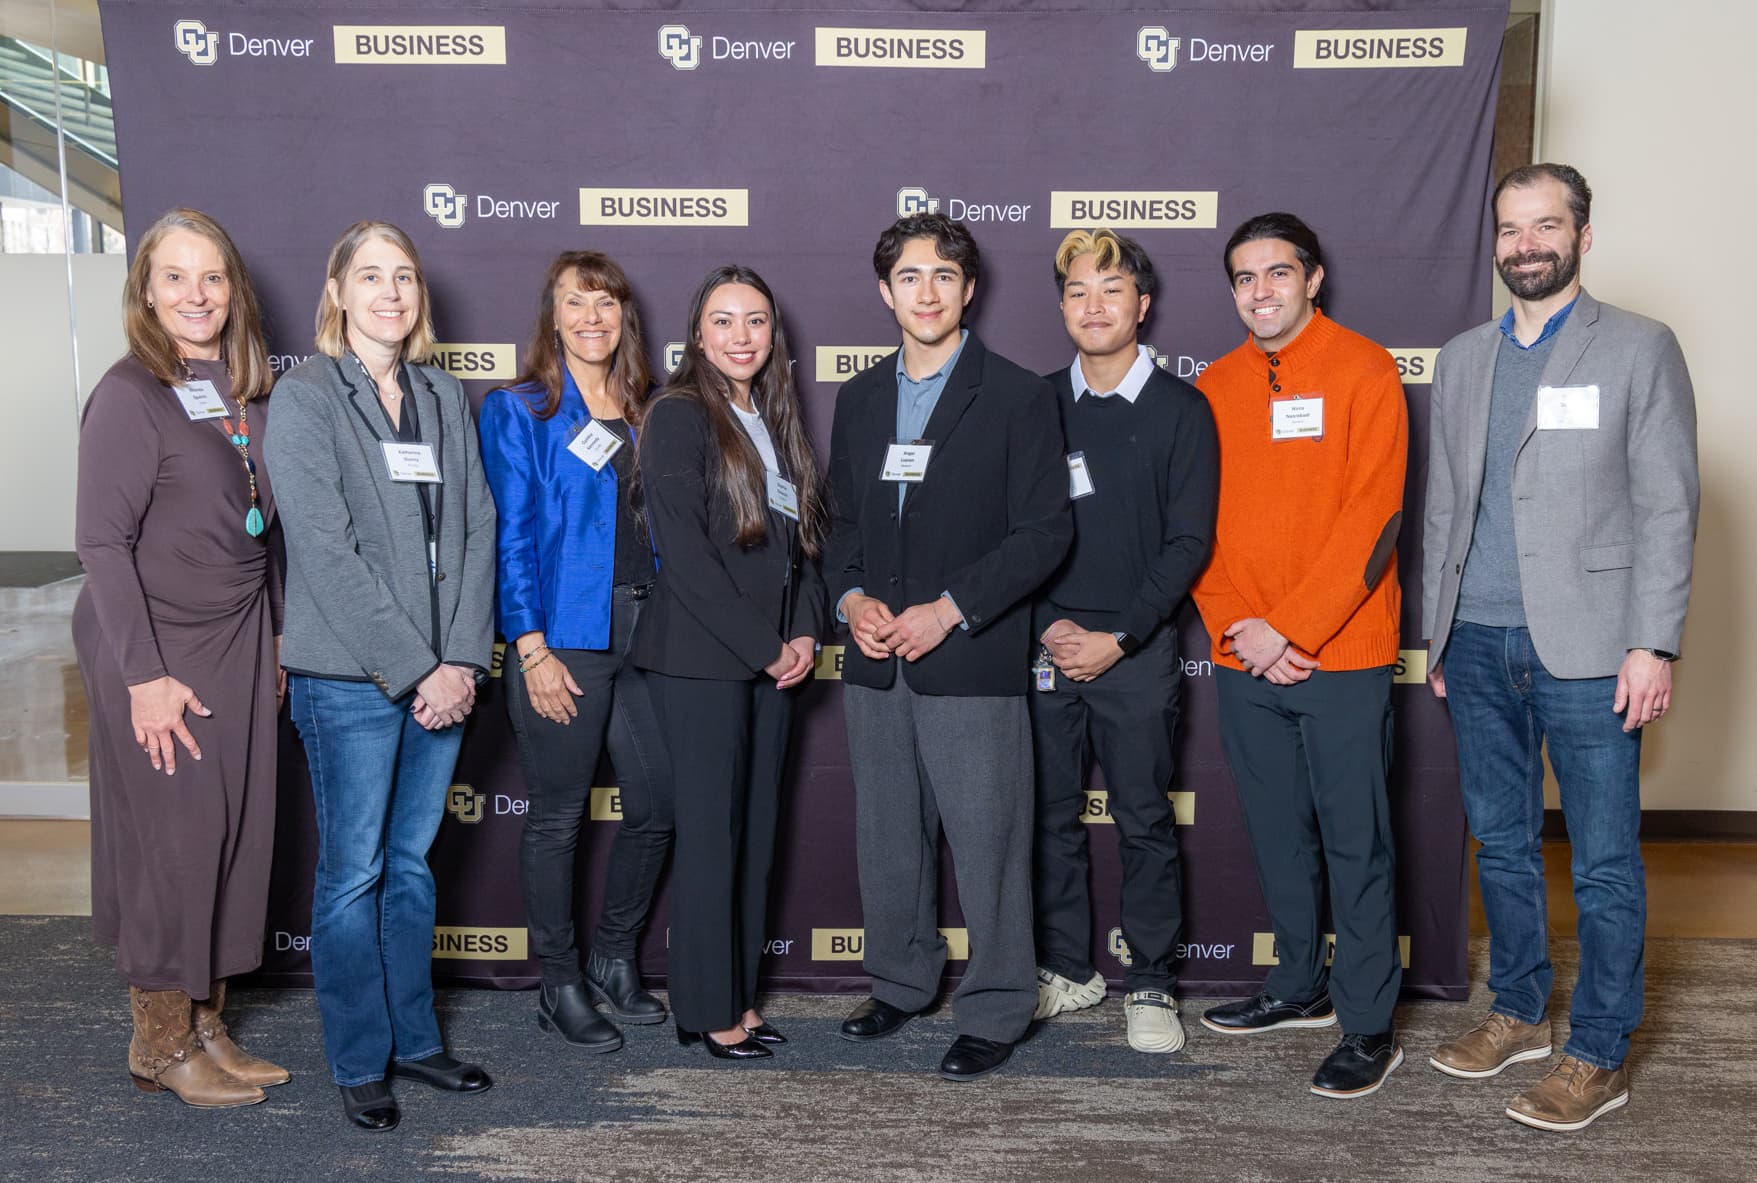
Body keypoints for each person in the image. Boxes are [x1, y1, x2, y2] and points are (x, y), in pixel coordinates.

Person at [1422, 164, 1699, 1132]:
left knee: (1602, 861)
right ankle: (1517, 1011)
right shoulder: (1460, 358)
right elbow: (1445, 507)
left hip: (1590, 648)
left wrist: (1650, 644)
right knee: (1498, 842)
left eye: (1545, 225)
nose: (1524, 243)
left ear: (1582, 236)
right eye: (1509, 228)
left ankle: (1595, 1051)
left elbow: (1668, 505)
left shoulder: (1635, 347)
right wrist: (1437, 632)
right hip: (1477, 638)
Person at [827, 214, 1073, 1081]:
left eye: (942, 276)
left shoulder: (1015, 394)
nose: (924, 292)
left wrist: (950, 608)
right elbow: (842, 526)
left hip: (969, 658)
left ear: (968, 289)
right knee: (888, 836)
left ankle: (999, 1004)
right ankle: (899, 980)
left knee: (989, 840)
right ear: (883, 289)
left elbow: (1045, 532)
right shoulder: (857, 398)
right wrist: (851, 599)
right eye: (907, 277)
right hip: (876, 661)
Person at [265, 221, 498, 1131]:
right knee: (355, 872)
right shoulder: (307, 396)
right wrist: (417, 668)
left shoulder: (444, 393)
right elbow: (325, 551)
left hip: (447, 674)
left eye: (403, 276)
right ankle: (360, 1058)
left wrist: (465, 660)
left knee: (410, 864)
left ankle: (416, 1038)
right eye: (371, 276)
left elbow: (475, 526)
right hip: (351, 677)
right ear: (338, 293)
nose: (390, 293)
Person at [1190, 212, 1408, 1099]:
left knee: (1355, 843)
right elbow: (1193, 529)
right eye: (1244, 278)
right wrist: (1242, 628)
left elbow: (1374, 520)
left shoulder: (1364, 368)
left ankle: (1365, 1023)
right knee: (1278, 835)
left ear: (1311, 279)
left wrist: (1294, 629)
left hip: (1342, 655)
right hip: (1246, 658)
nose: (1260, 292)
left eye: (1277, 273)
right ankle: (1296, 983)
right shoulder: (1211, 386)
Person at [73, 207, 287, 1108]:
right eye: (174, 277)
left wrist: (276, 635)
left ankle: (206, 1023)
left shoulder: (250, 391)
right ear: (145, 291)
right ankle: (159, 1043)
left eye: (212, 277)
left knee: (230, 839)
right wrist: (144, 678)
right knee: (174, 843)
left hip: (238, 635)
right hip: (156, 642)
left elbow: (265, 533)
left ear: (232, 289)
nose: (196, 295)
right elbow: (100, 544)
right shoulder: (129, 392)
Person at [630, 264, 826, 1061]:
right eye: (723, 320)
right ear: (696, 334)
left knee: (753, 833)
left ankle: (738, 996)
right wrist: (764, 646)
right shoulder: (678, 415)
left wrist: (807, 633)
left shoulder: (772, 418)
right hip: (703, 662)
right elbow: (685, 555)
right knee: (712, 836)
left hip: (774, 662)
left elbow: (803, 547)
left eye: (755, 321)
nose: (741, 336)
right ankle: (705, 1008)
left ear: (772, 335)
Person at [1028, 229, 1218, 1053]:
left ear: (1142, 304)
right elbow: (1014, 532)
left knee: (1142, 818)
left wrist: (1119, 634)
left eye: (1110, 288)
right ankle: (1069, 968)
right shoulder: (1034, 403)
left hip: (1135, 653)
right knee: (1047, 817)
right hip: (1044, 645)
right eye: (1076, 290)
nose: (1093, 304)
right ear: (1061, 305)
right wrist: (1047, 625)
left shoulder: (1182, 409)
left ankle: (1150, 982)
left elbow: (1188, 542)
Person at [478, 252, 672, 1052]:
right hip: (563, 639)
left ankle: (614, 958)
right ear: (551, 316)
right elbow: (510, 536)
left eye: (606, 303)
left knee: (658, 807)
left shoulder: (647, 409)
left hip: (648, 634)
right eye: (574, 303)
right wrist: (530, 648)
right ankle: (557, 982)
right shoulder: (521, 409)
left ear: (624, 315)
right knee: (557, 818)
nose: (592, 317)